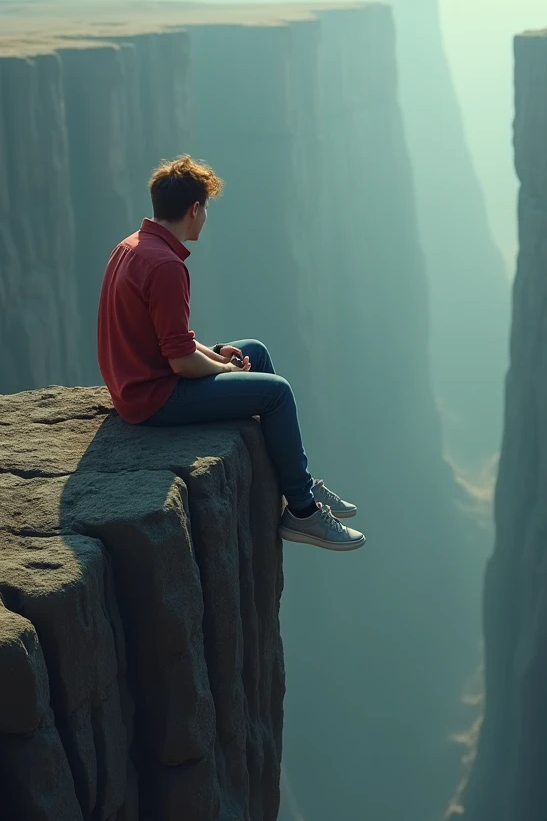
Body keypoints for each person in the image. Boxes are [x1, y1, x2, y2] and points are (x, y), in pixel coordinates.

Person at [97, 155, 365, 551]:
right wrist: (213, 366)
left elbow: (174, 339)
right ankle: (303, 513)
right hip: (153, 399)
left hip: (136, 381)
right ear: (194, 209)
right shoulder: (167, 267)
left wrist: (221, 355)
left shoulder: (132, 247)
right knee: (277, 393)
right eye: (205, 209)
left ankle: (298, 484)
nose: (205, 218)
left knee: (254, 350)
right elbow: (182, 362)